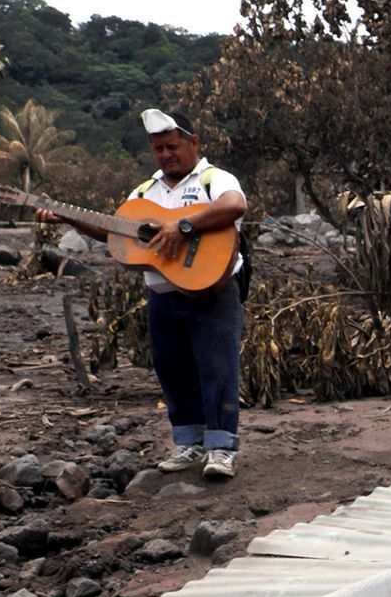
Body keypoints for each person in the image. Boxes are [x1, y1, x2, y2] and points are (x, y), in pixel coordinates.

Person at [39, 109, 248, 479]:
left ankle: (221, 449)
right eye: (158, 149)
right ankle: (189, 444)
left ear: (194, 143)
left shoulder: (214, 179)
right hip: (163, 295)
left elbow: (234, 207)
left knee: (218, 368)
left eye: (172, 146)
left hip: (213, 291)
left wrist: (183, 226)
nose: (166, 154)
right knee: (172, 369)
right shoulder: (143, 192)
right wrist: (68, 217)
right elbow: (118, 235)